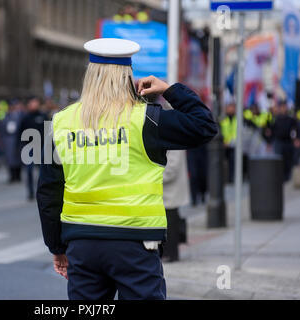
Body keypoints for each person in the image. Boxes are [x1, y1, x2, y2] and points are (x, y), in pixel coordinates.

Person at [37, 38, 217, 300]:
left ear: (91, 75)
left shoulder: (60, 122)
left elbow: (48, 191)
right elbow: (204, 126)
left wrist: (56, 246)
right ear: (127, 76)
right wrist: (169, 89)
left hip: (82, 243)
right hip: (135, 244)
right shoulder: (147, 119)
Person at [19, 97, 48, 200]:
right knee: (29, 171)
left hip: (42, 147)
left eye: (36, 103)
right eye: (32, 103)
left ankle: (41, 192)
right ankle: (31, 192)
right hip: (29, 147)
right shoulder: (25, 117)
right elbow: (20, 133)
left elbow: (48, 131)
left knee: (42, 172)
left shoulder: (43, 116)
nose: (34, 105)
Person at [267, 101, 300, 182]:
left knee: (288, 160)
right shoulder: (275, 118)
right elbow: (271, 131)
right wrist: (269, 142)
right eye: (281, 107)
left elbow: (296, 129)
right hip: (278, 142)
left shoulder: (291, 119)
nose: (283, 108)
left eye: (284, 106)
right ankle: (279, 177)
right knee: (279, 160)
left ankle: (287, 177)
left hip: (288, 142)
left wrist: (296, 139)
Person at [0, 100, 24, 183]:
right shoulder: (5, 116)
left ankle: (17, 175)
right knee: (9, 158)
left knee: (18, 158)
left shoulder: (20, 115)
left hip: (18, 138)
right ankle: (12, 175)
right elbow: (2, 128)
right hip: (8, 139)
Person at [220, 102, 237, 183]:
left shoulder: (236, 119)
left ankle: (231, 178)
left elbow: (236, 133)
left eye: (232, 107)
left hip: (232, 145)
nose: (231, 109)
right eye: (229, 107)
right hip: (223, 145)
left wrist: (229, 142)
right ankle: (224, 178)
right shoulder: (223, 119)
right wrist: (223, 142)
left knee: (232, 162)